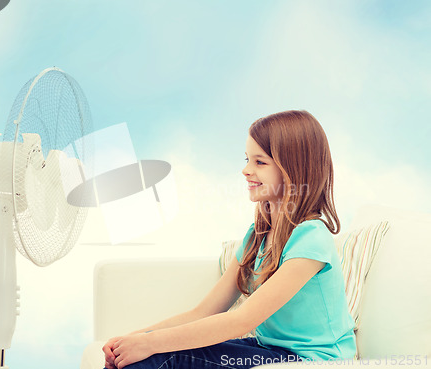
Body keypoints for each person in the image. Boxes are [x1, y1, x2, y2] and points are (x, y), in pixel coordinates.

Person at [102, 110, 357, 369]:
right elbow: (202, 312)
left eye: (260, 162)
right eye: (248, 159)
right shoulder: (258, 235)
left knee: (162, 356)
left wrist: (150, 344)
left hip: (310, 360)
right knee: (145, 356)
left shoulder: (311, 237)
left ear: (294, 168)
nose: (246, 170)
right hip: (267, 349)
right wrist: (134, 339)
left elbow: (242, 320)